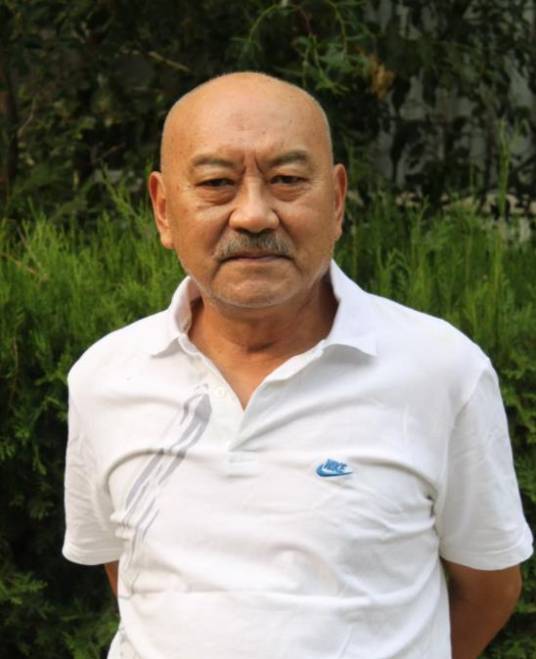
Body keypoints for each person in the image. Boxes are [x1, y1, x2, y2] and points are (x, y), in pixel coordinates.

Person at [63, 72, 533, 659]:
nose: (253, 215)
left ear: (336, 200)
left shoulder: (442, 371)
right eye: (216, 183)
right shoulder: (105, 378)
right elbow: (131, 575)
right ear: (163, 209)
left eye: (286, 180)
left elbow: (490, 588)